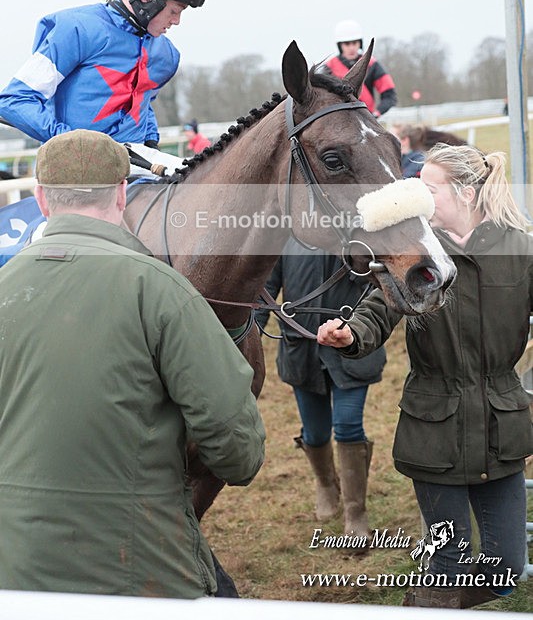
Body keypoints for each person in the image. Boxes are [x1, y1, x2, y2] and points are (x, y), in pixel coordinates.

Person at [0, 128, 265, 598]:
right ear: (123, 194)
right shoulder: (165, 292)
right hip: (142, 568)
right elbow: (238, 452)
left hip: (14, 572)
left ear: (40, 199)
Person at [317, 143, 533, 609]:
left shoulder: (522, 248)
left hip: (503, 428)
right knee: (447, 565)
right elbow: (377, 310)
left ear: (466, 194)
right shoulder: (415, 248)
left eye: (428, 189)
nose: (417, 198)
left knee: (506, 570)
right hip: (433, 430)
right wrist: (350, 334)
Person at [0, 0, 224, 147]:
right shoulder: (75, 30)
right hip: (75, 176)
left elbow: (142, 104)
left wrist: (151, 143)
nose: (176, 21)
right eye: (174, 11)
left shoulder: (166, 55)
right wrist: (71, 142)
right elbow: (13, 101)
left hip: (138, 174)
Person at [256, 237, 386, 546]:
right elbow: (265, 292)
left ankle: (356, 514)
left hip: (352, 348)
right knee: (315, 434)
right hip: (301, 351)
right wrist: (248, 334)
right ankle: (326, 482)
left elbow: (378, 282)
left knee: (348, 424)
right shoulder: (286, 238)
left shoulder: (357, 236)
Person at [323, 20, 397, 117]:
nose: (351, 47)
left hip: (367, 117)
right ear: (340, 45)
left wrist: (377, 113)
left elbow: (390, 95)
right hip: (340, 119)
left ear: (360, 43)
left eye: (354, 43)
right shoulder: (329, 67)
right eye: (347, 44)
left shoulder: (372, 65)